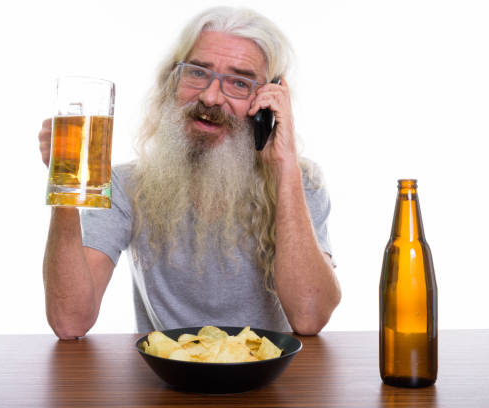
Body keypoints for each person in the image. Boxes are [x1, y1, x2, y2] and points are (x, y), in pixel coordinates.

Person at [38, 6, 341, 339]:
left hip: (267, 382)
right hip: (167, 381)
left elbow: (310, 316)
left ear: (267, 103)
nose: (210, 97)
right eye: (197, 73)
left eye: (239, 83)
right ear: (172, 81)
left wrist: (286, 168)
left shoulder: (300, 184)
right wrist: (65, 183)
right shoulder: (126, 186)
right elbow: (70, 321)